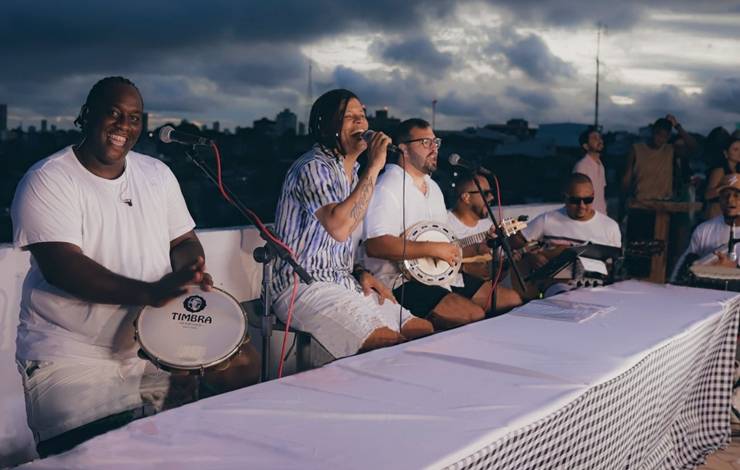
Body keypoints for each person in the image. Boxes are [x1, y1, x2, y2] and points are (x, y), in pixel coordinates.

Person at [10, 77, 260, 456]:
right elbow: (64, 267)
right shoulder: (48, 179)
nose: (123, 126)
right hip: (72, 357)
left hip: (151, 347)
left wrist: (189, 272)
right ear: (85, 116)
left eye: (134, 118)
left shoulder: (156, 174)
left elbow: (183, 241)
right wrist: (152, 292)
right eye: (112, 113)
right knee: (88, 459)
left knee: (175, 446)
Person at [269, 89, 433, 360]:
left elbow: (342, 245)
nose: (361, 123)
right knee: (387, 345)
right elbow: (339, 228)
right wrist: (375, 166)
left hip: (343, 281)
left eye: (363, 116)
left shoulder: (354, 173)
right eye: (349, 117)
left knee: (423, 332)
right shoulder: (313, 167)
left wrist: (359, 272)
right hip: (302, 286)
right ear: (328, 126)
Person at [363, 119, 521, 330]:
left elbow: (448, 245)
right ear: (404, 149)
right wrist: (433, 249)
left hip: (440, 276)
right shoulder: (387, 186)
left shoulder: (434, 189)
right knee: (472, 315)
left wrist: (479, 247)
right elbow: (375, 245)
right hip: (400, 281)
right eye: (426, 142)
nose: (434, 148)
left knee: (510, 300)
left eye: (436, 142)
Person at [673, 173, 740, 282]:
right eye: (725, 195)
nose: (730, 200)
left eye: (737, 195)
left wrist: (734, 271)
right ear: (719, 199)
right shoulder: (703, 230)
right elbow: (682, 272)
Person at [447, 170, 495, 280]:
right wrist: (465, 268)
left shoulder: (488, 226)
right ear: (466, 197)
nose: (492, 197)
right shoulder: (444, 224)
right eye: (486, 193)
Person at [573, 127, 607, 215]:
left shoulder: (601, 165)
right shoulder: (582, 166)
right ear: (586, 146)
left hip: (601, 216)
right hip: (587, 217)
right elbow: (577, 196)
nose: (599, 140)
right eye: (594, 138)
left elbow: (601, 194)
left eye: (600, 137)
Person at [705, 137, 740, 219]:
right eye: (735, 150)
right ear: (726, 153)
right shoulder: (719, 170)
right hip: (718, 212)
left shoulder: (737, 170)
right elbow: (708, 195)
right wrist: (726, 186)